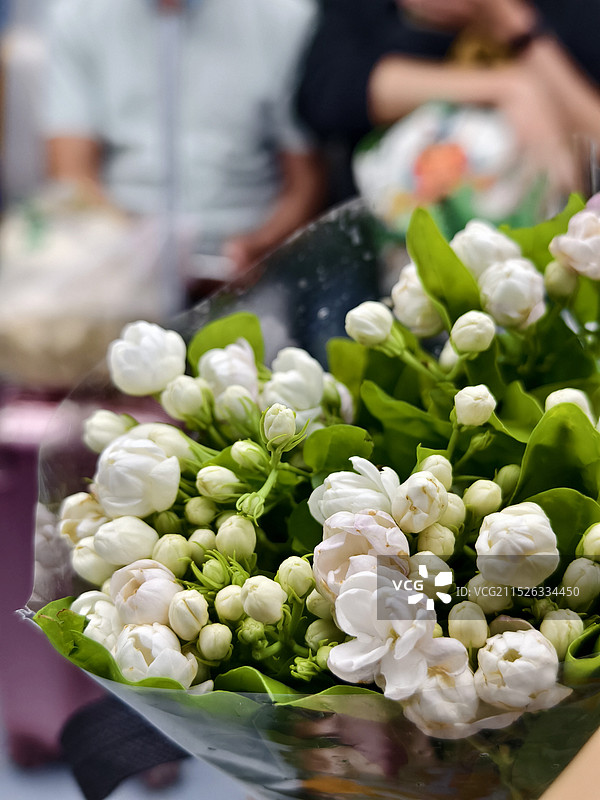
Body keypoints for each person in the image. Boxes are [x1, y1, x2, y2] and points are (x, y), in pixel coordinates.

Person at [43, 0, 326, 281]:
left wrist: (260, 247)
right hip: (119, 262)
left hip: (253, 268)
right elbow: (72, 175)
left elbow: (306, 181)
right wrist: (135, 250)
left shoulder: (286, 17)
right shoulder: (79, 15)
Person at [297, 0, 600, 199]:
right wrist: (507, 88)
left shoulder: (566, 13)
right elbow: (323, 94)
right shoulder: (378, 13)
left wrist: (516, 27)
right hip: (397, 247)